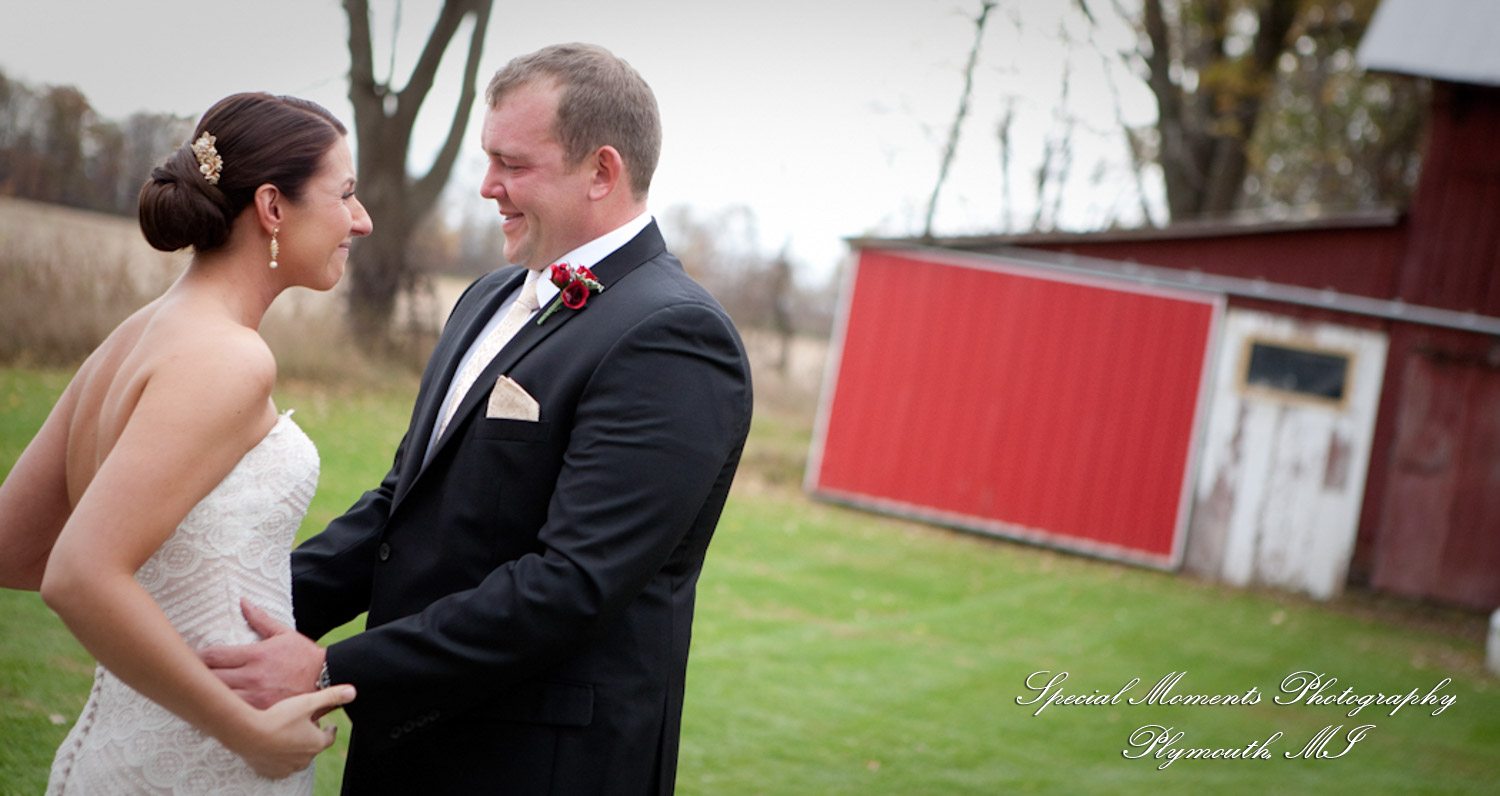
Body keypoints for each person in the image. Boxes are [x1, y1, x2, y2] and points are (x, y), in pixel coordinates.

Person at [201, 43, 753, 794]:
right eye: (487, 160)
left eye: (513, 164)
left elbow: (573, 584)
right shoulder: (487, 298)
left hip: (538, 766)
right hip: (412, 745)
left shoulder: (674, 336)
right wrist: (239, 604)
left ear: (602, 171)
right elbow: (406, 509)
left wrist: (333, 666)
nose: (489, 186)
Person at [0, 92, 371, 794]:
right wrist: (244, 731)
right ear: (272, 207)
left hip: (133, 742)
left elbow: (14, 545)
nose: (362, 219)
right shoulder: (229, 358)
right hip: (198, 763)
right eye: (346, 194)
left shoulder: (138, 332)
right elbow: (77, 574)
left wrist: (170, 586)